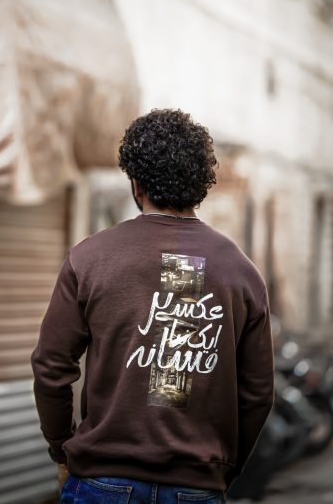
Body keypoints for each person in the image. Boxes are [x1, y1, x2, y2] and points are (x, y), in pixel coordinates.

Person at [31, 108, 274, 504]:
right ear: (200, 183)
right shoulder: (240, 271)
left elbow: (51, 367)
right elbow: (258, 393)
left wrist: (61, 446)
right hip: (196, 487)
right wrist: (222, 470)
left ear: (136, 181)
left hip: (101, 482)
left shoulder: (90, 258)